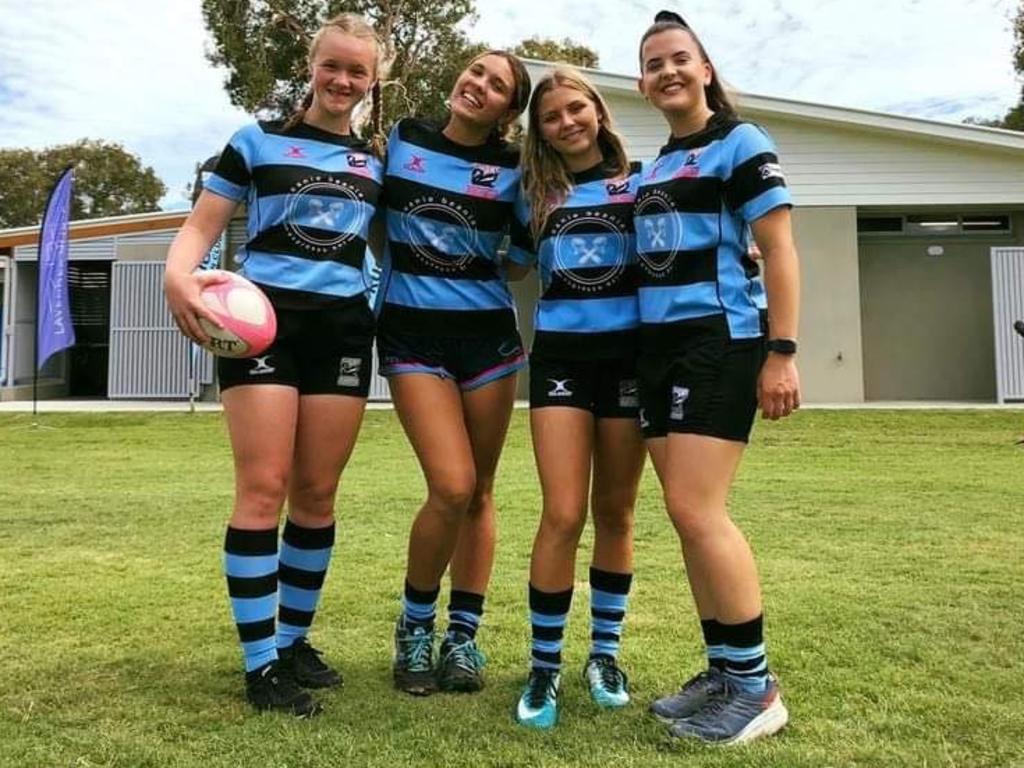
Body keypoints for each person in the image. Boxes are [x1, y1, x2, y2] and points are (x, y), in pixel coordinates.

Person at [163, 13, 385, 718]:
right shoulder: (256, 141)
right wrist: (178, 278)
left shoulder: (375, 161)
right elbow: (200, 228)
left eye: (357, 71)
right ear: (311, 65)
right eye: (332, 66)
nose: (342, 81)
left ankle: (292, 642)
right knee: (264, 487)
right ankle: (260, 666)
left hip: (345, 331)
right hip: (263, 332)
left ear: (372, 81)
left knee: (317, 493)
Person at [634, 10, 801, 744]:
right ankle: (724, 672)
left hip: (721, 343)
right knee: (683, 514)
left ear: (705, 69)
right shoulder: (659, 165)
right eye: (654, 63)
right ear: (643, 84)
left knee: (701, 510)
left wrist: (784, 349)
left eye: (679, 58)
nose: (667, 70)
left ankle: (757, 689)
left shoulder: (742, 142)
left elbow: (780, 248)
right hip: (658, 350)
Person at [376, 50, 531, 695]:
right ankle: (414, 631)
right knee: (451, 485)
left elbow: (521, 259)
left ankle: (461, 639)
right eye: (475, 72)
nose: (480, 85)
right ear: (457, 78)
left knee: (482, 490)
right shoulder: (402, 139)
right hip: (411, 334)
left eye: (497, 86)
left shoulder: (515, 169)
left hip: (487, 342)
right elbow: (372, 224)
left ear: (507, 111)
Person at [506, 67, 645, 729]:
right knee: (562, 513)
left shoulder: (642, 183)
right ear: (539, 133)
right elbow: (497, 259)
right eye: (551, 116)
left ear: (597, 110)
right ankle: (543, 665)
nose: (567, 122)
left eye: (575, 108)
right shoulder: (532, 194)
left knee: (615, 512)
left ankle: (605, 655)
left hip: (628, 361)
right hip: (560, 362)